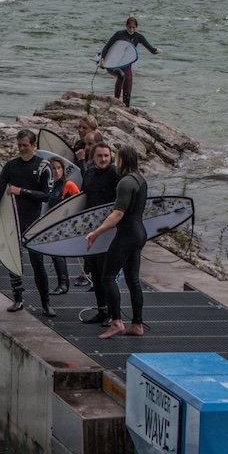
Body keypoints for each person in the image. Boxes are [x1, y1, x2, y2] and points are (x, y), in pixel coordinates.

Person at [0, 128, 53, 317]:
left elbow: (45, 196)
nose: (22, 149)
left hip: (33, 222)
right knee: (12, 261)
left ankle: (45, 303)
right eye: (20, 145)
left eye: (26, 146)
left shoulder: (43, 166)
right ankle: (17, 299)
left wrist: (20, 191)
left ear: (34, 146)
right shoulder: (11, 166)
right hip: (13, 222)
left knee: (37, 263)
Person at [86, 145, 149, 338]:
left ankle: (116, 322)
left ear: (122, 161)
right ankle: (137, 324)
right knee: (133, 280)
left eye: (117, 159)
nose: (115, 163)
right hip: (139, 233)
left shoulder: (125, 183)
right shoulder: (141, 180)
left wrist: (96, 232)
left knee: (107, 277)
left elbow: (118, 213)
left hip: (126, 235)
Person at [78, 140, 119, 318]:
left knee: (106, 273)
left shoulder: (115, 174)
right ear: (93, 158)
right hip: (91, 229)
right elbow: (81, 199)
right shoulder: (89, 174)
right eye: (100, 156)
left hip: (109, 230)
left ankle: (112, 312)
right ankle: (101, 310)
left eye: (106, 156)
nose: (103, 159)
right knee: (94, 270)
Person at [100, 17, 161, 108]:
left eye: (133, 27)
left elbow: (150, 48)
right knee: (121, 75)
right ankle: (115, 101)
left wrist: (156, 51)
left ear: (136, 27)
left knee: (127, 93)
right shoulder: (119, 34)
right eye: (129, 27)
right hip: (115, 64)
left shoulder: (138, 37)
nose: (131, 29)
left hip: (127, 66)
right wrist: (102, 59)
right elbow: (107, 46)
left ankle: (126, 109)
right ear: (126, 26)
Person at [44, 156, 80, 295]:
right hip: (52, 224)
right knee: (54, 254)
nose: (57, 171)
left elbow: (78, 203)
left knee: (57, 253)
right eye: (53, 168)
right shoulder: (48, 185)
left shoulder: (68, 185)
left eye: (59, 168)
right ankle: (62, 282)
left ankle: (64, 284)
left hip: (65, 225)